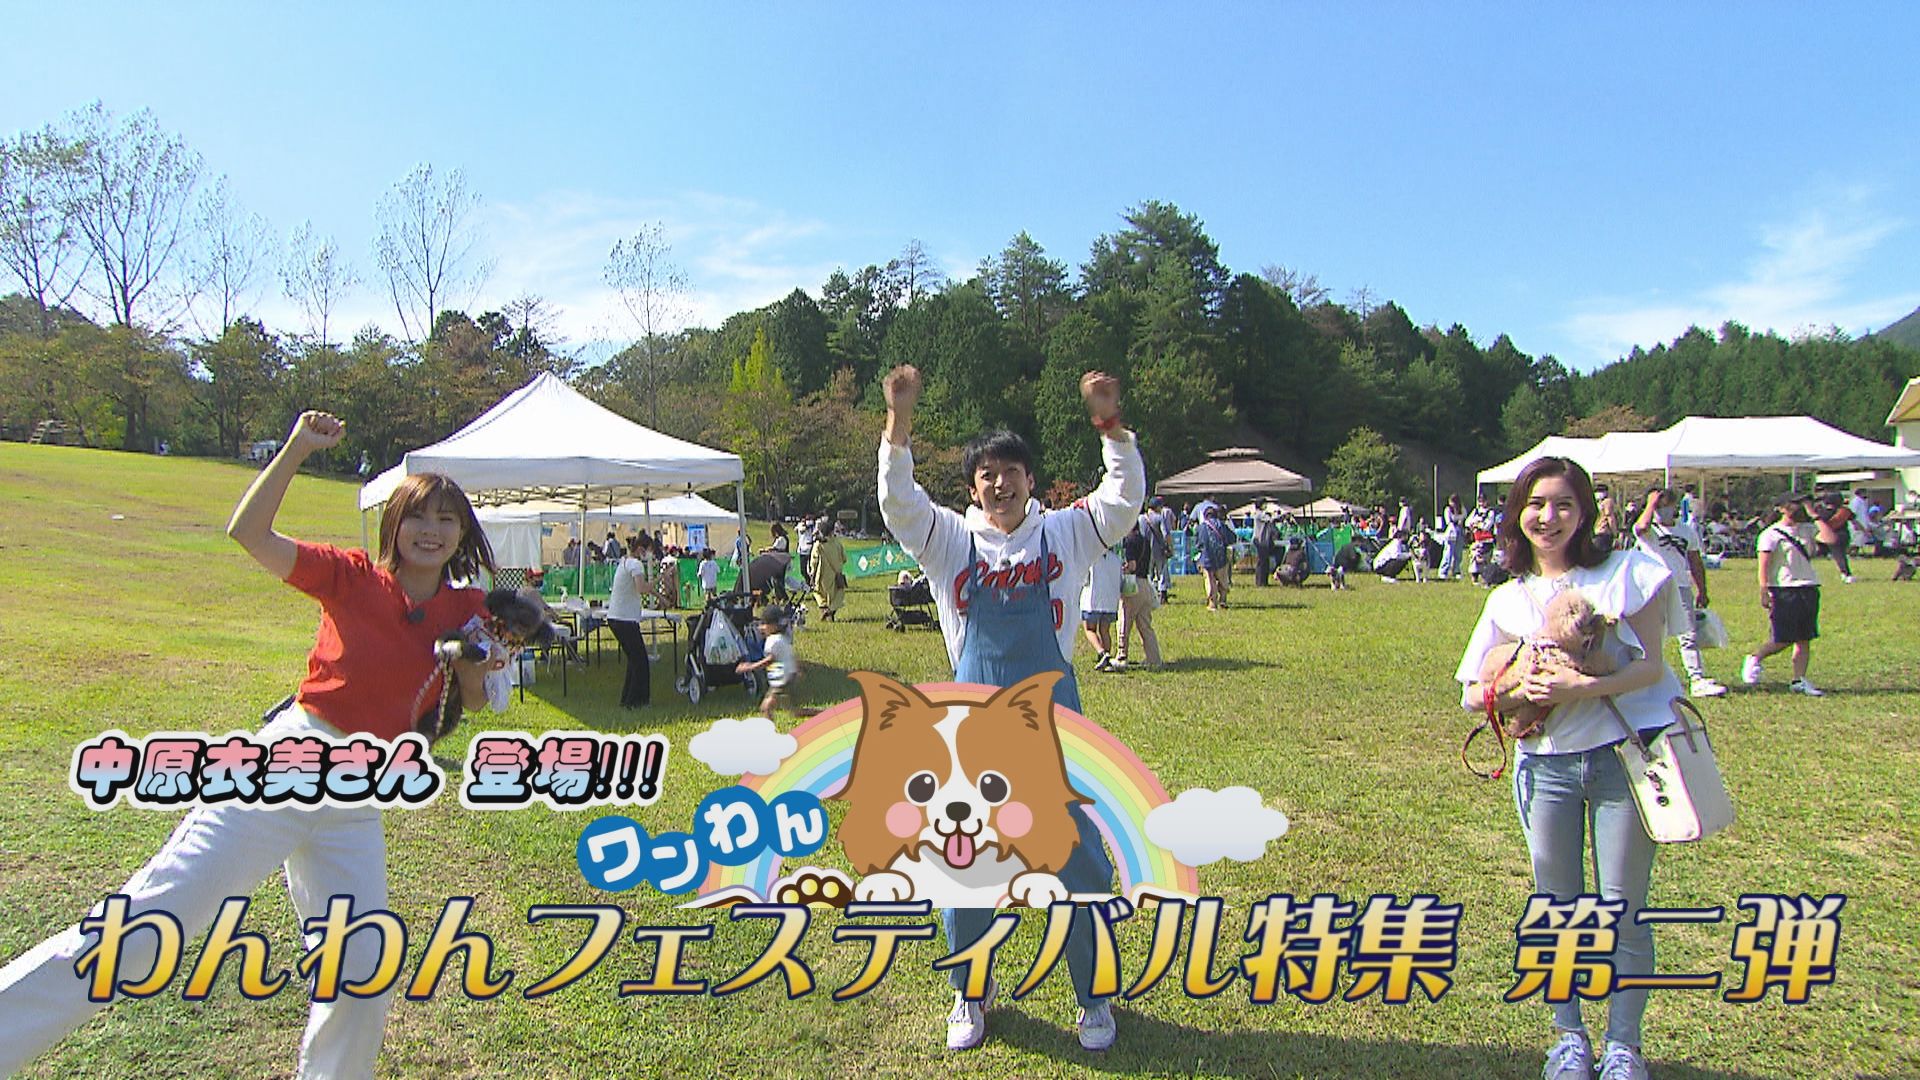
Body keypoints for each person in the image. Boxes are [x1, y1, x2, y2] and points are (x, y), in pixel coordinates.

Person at [0, 412, 512, 1078]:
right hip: (286, 768)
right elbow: (249, 532)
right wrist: (297, 448)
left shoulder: (468, 607)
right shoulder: (351, 576)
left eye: (447, 519)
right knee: (151, 927)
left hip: (358, 794)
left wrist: (476, 660)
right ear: (394, 523)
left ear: (463, 533)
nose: (431, 529)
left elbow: (473, 699)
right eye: (418, 515)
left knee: (361, 970)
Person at [878, 362, 1141, 1053]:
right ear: (973, 489)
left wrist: (1110, 424)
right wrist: (899, 422)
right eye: (986, 475)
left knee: (1080, 865)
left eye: (1011, 472)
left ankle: (1094, 998)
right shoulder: (949, 542)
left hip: (1055, 731)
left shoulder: (1065, 535)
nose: (1000, 484)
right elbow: (899, 504)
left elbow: (1122, 500)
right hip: (968, 738)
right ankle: (971, 991)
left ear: (1031, 480)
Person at [1455, 456, 1684, 1080]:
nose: (1548, 517)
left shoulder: (1625, 573)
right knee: (1557, 908)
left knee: (1623, 909)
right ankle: (1569, 1039)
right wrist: (1515, 688)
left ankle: (1623, 1047)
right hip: (1545, 770)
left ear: (1585, 512)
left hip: (1622, 765)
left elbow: (1651, 667)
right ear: (1517, 514)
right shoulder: (1507, 597)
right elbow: (1472, 692)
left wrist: (1578, 686)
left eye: (1562, 503)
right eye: (1535, 504)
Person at [1633, 487, 1728, 697]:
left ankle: (1697, 678)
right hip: (1653, 587)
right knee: (1651, 635)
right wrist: (1650, 504)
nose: (1664, 510)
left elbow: (1695, 561)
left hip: (1681, 586)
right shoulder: (1650, 531)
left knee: (1688, 634)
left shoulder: (1686, 531)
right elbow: (1641, 527)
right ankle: (1644, 678)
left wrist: (1702, 589)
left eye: (1667, 505)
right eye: (1659, 506)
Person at [1742, 494, 1826, 696]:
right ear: (1781, 508)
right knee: (1783, 637)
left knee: (1804, 637)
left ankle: (1799, 679)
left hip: (1807, 586)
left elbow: (1829, 538)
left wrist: (1814, 514)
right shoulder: (1771, 534)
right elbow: (1764, 565)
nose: (1797, 508)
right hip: (1784, 588)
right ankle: (1755, 657)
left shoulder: (1807, 529)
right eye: (1793, 504)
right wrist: (1764, 590)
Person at [607, 533, 655, 709]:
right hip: (624, 620)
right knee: (641, 662)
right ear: (641, 549)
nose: (650, 554)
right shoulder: (636, 564)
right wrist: (659, 579)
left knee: (634, 661)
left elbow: (639, 588)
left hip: (616, 618)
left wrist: (659, 595)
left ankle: (627, 700)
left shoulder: (624, 562)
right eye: (649, 550)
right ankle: (638, 701)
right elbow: (641, 588)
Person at [736, 606, 800, 718]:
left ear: (774, 626)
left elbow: (769, 660)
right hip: (784, 679)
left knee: (766, 707)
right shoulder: (780, 638)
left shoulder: (774, 641)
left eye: (764, 624)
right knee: (794, 712)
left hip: (783, 680)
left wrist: (750, 667)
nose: (761, 628)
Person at [1116, 519, 1163, 668]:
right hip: (1145, 584)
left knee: (1124, 621)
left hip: (1132, 585)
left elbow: (1132, 565)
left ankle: (1122, 656)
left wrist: (1122, 568)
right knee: (1145, 625)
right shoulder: (1145, 541)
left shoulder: (1129, 541)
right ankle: (1154, 658)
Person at [1080, 542, 1124, 671]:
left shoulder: (1091, 558)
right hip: (1110, 600)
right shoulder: (1116, 560)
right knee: (1105, 630)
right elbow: (1120, 580)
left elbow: (1084, 579)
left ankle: (1102, 652)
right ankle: (1107, 659)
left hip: (1093, 599)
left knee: (1089, 629)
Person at [807, 518, 848, 622]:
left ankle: (825, 610)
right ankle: (830, 611)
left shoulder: (818, 545)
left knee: (819, 594)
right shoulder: (837, 543)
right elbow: (844, 559)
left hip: (821, 575)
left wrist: (812, 574)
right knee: (837, 596)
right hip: (836, 575)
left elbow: (814, 561)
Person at [1813, 496, 1855, 584]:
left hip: (1830, 535)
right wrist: (1864, 531)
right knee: (1841, 554)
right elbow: (1855, 521)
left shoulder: (1821, 512)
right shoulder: (1844, 511)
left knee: (1838, 555)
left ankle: (1846, 574)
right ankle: (1844, 573)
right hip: (1844, 535)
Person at [1439, 494, 1467, 581]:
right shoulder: (1448, 509)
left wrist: (1459, 518)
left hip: (1460, 531)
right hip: (1451, 531)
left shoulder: (1461, 508)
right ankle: (1443, 571)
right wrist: (1458, 518)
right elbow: (1449, 520)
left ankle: (1456, 571)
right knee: (1448, 552)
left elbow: (1464, 515)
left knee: (1458, 553)